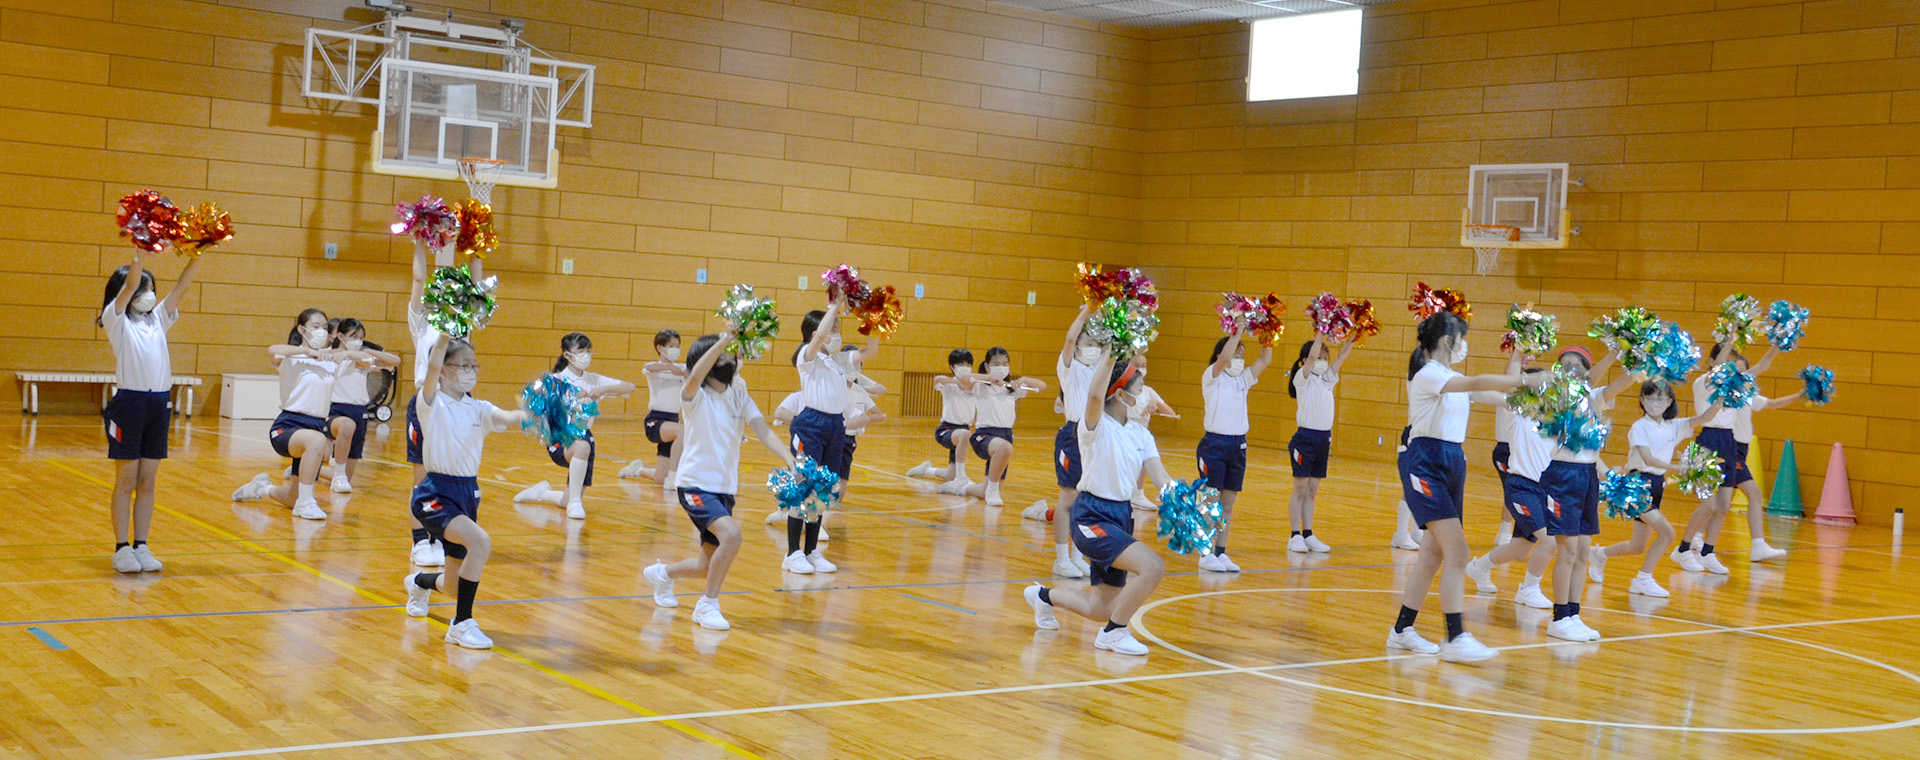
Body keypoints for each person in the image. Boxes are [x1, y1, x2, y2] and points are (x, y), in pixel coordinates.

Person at [1385, 311, 1523, 663]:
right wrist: (1530, 380)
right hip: (1426, 462)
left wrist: (1531, 388)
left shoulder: (1453, 378)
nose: (1465, 345)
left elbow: (1500, 395)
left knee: (1433, 554)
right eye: (1463, 338)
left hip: (1452, 463)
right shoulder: (1429, 374)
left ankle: (1401, 630)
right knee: (1459, 553)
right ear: (1448, 341)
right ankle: (1455, 636)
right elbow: (1479, 382)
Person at [1024, 347, 1173, 656]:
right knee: (1152, 567)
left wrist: (1188, 502)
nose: (1144, 394)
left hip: (1122, 516)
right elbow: (1094, 395)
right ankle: (1114, 634)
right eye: (1139, 388)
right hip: (1091, 516)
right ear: (1119, 394)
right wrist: (1113, 352)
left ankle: (1043, 597)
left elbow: (1162, 479)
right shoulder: (1094, 424)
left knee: (1100, 608)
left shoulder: (1141, 434)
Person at [644, 330, 796, 630]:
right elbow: (693, 376)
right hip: (695, 485)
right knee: (732, 535)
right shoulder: (693, 395)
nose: (731, 360)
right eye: (724, 356)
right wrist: (725, 339)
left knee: (706, 564)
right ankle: (707, 605)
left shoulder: (739, 397)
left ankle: (662, 574)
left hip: (725, 489)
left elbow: (763, 430)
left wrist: (789, 458)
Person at [403, 334, 532, 649]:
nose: (470, 371)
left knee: (453, 586)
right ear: (445, 369)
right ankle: (461, 624)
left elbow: (509, 417)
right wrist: (444, 335)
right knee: (480, 541)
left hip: (467, 494)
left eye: (474, 365)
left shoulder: (479, 408)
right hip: (434, 494)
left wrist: (537, 417)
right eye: (463, 365)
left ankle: (419, 583)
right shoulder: (430, 403)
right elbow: (432, 365)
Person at [98, 244, 201, 573]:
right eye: (143, 289)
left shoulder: (157, 319)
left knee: (147, 481)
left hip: (158, 404)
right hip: (128, 405)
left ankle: (141, 544)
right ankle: (121, 547)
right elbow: (130, 284)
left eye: (151, 288)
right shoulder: (115, 320)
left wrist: (198, 252)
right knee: (126, 480)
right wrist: (141, 252)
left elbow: (182, 287)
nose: (149, 294)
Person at [231, 309, 376, 520]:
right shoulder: (292, 357)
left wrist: (347, 354)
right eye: (315, 326)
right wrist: (307, 352)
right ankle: (306, 503)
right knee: (317, 441)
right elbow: (272, 350)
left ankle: (261, 488)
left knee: (291, 497)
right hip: (288, 426)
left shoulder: (331, 361)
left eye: (324, 327)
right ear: (301, 329)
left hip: (315, 427)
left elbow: (367, 359)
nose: (321, 331)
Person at [1675, 343, 1804, 573]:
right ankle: (1684, 548)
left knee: (1723, 505)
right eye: (1725, 363)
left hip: (1729, 442)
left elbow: (1761, 366)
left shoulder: (1735, 386)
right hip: (1708, 440)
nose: (1729, 368)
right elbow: (1719, 368)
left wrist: (1777, 343)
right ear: (1712, 363)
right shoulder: (1703, 382)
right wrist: (1731, 336)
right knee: (1709, 505)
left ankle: (1708, 552)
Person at [1589, 380, 1722, 598]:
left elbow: (1704, 418)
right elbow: (1647, 458)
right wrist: (1678, 468)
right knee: (1667, 533)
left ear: (1670, 401)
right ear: (1642, 400)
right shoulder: (1639, 427)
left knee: (1637, 546)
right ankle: (1643, 579)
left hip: (1657, 486)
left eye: (1660, 398)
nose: (1655, 403)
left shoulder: (1673, 425)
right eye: (1649, 398)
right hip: (1636, 485)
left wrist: (1721, 398)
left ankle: (1599, 554)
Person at [514, 333, 634, 519]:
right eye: (580, 351)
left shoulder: (594, 379)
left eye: (588, 351)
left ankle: (541, 493)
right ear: (568, 355)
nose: (585, 355)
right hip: (562, 436)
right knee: (582, 447)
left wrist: (604, 389)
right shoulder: (556, 380)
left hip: (585, 435)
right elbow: (530, 402)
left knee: (567, 499)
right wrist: (568, 396)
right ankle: (576, 502)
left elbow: (629, 387)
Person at [1023, 305, 1099, 579]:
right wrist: (1087, 312)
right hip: (1073, 435)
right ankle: (1061, 558)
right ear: (1077, 348)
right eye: (1087, 344)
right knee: (1068, 498)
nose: (1093, 348)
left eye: (1096, 344)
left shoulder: (1100, 369)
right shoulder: (1069, 369)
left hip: (1095, 437)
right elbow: (1069, 338)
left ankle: (1078, 555)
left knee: (1085, 500)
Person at [1196, 318, 1272, 571]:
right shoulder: (1212, 376)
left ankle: (1220, 551)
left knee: (1227, 504)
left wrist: (1268, 331)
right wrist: (1238, 330)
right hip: (1214, 445)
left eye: (1242, 356)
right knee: (1210, 500)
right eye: (1235, 355)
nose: (1239, 360)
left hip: (1238, 445)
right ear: (1222, 355)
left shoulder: (1243, 379)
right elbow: (1224, 358)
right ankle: (1205, 553)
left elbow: (1265, 360)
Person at [945, 347, 1047, 506]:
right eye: (997, 364)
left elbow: (1043, 386)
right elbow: (964, 379)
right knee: (1004, 448)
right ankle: (992, 491)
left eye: (1005, 364)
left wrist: (1025, 379)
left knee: (984, 490)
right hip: (984, 435)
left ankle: (959, 488)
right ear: (987, 366)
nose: (1002, 367)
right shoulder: (981, 386)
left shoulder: (1011, 389)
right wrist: (990, 377)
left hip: (1005, 435)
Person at [1284, 331, 1355, 553]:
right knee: (1300, 489)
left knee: (1312, 491)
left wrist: (1354, 337)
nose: (1323, 362)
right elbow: (1313, 356)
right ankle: (1294, 535)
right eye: (1319, 358)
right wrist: (1321, 333)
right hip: (1305, 439)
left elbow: (1341, 357)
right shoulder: (1302, 379)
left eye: (1326, 358)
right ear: (1305, 360)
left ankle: (1308, 534)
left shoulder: (1327, 379)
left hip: (1324, 439)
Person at [323, 317, 400, 494]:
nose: (357, 341)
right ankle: (321, 470)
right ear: (340, 336)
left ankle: (310, 471)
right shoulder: (330, 355)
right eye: (353, 337)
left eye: (361, 337)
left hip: (359, 410)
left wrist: (366, 350)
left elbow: (395, 360)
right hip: (335, 409)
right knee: (327, 451)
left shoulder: (363, 359)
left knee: (348, 476)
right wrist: (347, 354)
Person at [621, 330, 686, 487]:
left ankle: (637, 470)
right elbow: (648, 366)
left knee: (659, 478)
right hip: (656, 421)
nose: (675, 350)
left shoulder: (681, 368)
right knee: (683, 431)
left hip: (673, 421)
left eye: (677, 346)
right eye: (671, 346)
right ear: (660, 348)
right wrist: (670, 368)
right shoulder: (654, 368)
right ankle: (673, 477)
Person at [907, 349, 978, 492]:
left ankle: (926, 470)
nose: (965, 367)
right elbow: (937, 379)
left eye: (968, 364)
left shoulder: (976, 387)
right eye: (961, 364)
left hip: (963, 431)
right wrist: (957, 382)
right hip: (947, 430)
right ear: (953, 367)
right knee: (965, 435)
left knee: (950, 475)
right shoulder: (949, 385)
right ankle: (961, 477)